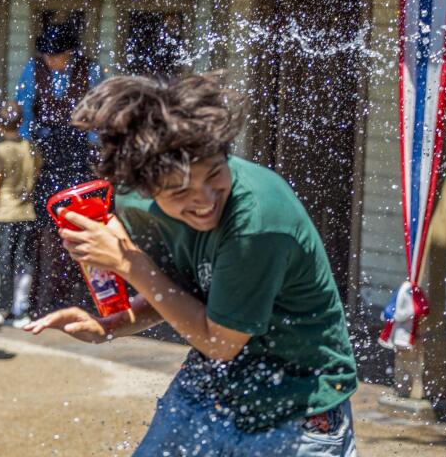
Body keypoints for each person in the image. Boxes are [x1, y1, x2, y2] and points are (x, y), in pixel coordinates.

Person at [25, 73, 358, 456]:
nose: (204, 200)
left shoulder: (257, 222)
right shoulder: (136, 202)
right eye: (180, 191)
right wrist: (109, 325)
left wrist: (127, 262)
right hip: (210, 385)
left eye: (216, 173)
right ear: (147, 188)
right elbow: (175, 296)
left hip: (300, 405)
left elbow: (220, 342)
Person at [15, 10, 102, 317]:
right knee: (44, 233)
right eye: (48, 55)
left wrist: (93, 150)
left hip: (77, 160)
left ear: (69, 53)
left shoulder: (89, 70)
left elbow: (96, 115)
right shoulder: (33, 69)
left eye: (57, 56)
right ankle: (42, 300)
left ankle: (82, 297)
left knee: (80, 228)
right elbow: (25, 111)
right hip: (46, 159)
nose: (51, 60)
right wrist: (28, 150)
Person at [0, 102, 38, 329]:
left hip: (4, 213)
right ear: (21, 122)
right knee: (23, 262)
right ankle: (20, 310)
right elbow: (35, 176)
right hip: (27, 213)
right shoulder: (30, 148)